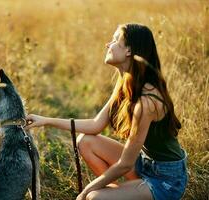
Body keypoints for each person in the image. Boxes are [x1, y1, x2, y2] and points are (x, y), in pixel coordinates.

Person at [25, 23, 188, 200]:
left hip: (166, 180)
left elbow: (125, 164)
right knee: (85, 141)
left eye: (115, 40)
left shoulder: (146, 101)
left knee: (94, 197)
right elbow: (95, 125)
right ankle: (120, 193)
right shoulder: (126, 82)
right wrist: (46, 120)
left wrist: (86, 191)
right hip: (143, 163)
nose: (108, 44)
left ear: (128, 51)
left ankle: (115, 194)